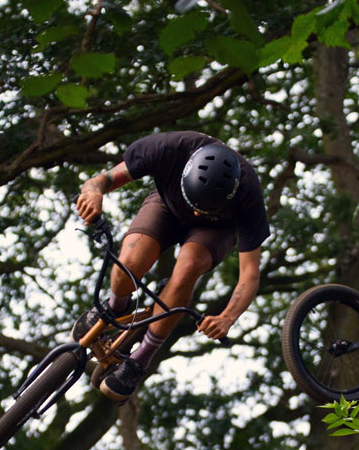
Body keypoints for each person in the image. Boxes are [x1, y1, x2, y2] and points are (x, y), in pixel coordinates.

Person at [72, 131, 269, 401]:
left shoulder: (248, 194)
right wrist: (94, 193)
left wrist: (228, 317)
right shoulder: (166, 149)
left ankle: (140, 360)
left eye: (206, 208)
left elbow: (249, 273)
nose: (197, 212)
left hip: (214, 231)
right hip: (167, 204)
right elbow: (100, 181)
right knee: (131, 261)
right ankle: (114, 308)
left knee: (188, 267)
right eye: (195, 204)